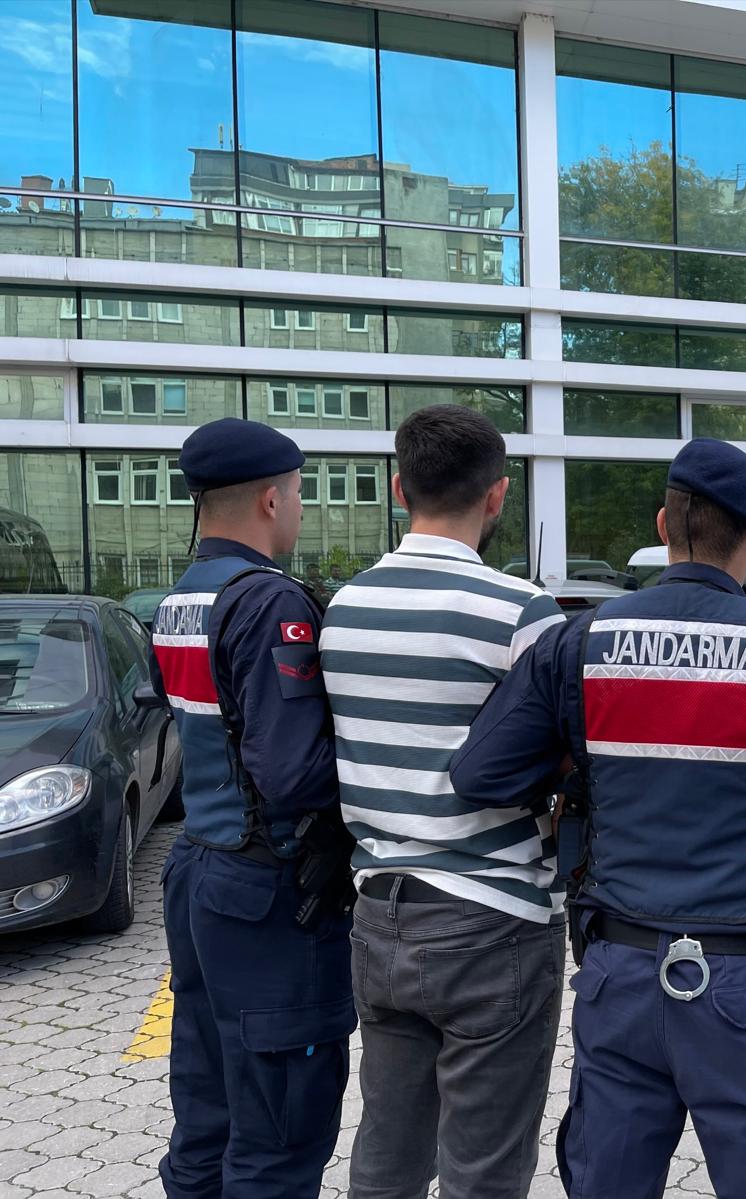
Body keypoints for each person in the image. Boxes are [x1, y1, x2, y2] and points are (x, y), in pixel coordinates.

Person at [450, 438, 746, 1198]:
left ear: (664, 525)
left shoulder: (579, 642)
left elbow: (480, 775)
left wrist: (585, 760)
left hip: (620, 977)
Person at [320, 405, 568, 1199]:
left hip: (379, 914)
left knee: (387, 1151)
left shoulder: (343, 609)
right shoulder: (522, 612)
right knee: (483, 1167)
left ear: (400, 490)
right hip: (494, 918)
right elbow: (563, 758)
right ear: (497, 495)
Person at [149, 418, 354, 1199]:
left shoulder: (182, 595)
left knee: (207, 1109)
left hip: (198, 869)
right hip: (268, 891)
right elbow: (292, 771)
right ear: (271, 499)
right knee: (278, 1129)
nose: (298, 509)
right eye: (298, 495)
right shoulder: (267, 599)